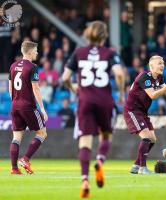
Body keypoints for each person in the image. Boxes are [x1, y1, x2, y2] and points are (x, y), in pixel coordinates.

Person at [62, 21, 125, 198]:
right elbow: (119, 73)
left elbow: (65, 76)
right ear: (104, 36)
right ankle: (99, 161)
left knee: (85, 141)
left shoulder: (79, 53)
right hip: (104, 101)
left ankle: (84, 180)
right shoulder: (109, 53)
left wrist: (74, 89)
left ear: (88, 34)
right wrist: (120, 92)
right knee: (106, 134)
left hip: (85, 101)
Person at [124, 55, 166, 175]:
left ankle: (136, 165)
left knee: (152, 139)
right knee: (146, 137)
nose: (162, 65)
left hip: (142, 112)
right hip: (132, 110)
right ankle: (142, 167)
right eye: (159, 63)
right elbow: (153, 95)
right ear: (151, 66)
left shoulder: (159, 78)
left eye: (163, 63)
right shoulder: (144, 77)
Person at [8, 41, 48, 175]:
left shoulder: (13, 66)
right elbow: (36, 88)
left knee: (16, 137)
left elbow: (10, 86)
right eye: (36, 50)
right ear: (30, 52)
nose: (37, 52)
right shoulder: (32, 67)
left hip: (15, 105)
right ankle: (25, 159)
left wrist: (15, 101)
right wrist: (42, 109)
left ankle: (14, 169)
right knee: (42, 133)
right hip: (28, 106)